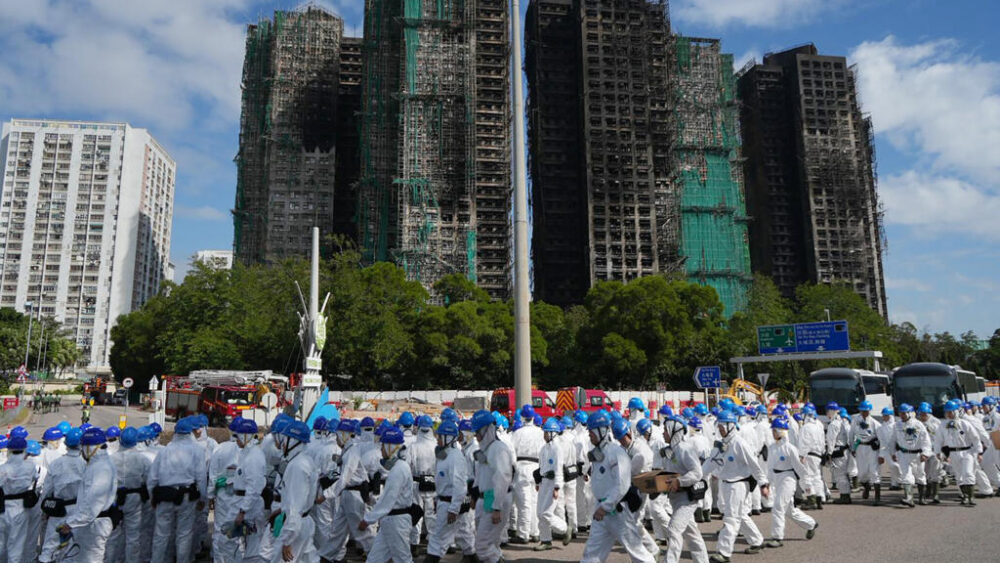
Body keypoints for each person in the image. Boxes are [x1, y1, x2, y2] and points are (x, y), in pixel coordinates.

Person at [580, 410, 655, 563]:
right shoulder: (599, 454)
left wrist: (606, 506)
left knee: (637, 551)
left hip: (617, 511)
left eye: (591, 431)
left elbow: (622, 484)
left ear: (601, 431)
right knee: (591, 554)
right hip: (602, 511)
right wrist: (601, 507)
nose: (589, 435)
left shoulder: (616, 453)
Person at [703, 411, 769, 563]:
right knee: (740, 514)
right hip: (726, 484)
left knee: (731, 519)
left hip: (739, 484)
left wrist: (763, 484)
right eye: (719, 426)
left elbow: (754, 465)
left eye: (722, 426)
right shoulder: (721, 445)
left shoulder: (739, 443)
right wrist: (695, 478)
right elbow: (709, 463)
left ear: (730, 426)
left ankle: (724, 552)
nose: (720, 429)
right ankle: (757, 540)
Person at [148, 416, 207, 563]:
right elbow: (201, 478)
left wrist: (152, 498)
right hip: (186, 497)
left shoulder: (164, 451)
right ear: (190, 432)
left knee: (161, 535)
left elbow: (152, 478)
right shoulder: (197, 450)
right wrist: (203, 498)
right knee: (184, 535)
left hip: (164, 496)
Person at [58, 426, 118, 561]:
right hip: (90, 523)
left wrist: (70, 523)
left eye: (83, 447)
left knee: (91, 559)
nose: (81, 451)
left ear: (90, 448)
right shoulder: (98, 464)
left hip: (95, 525)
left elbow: (92, 506)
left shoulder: (101, 469)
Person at [360, 427, 415, 563]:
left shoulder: (399, 469)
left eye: (383, 446)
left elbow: (388, 499)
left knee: (403, 559)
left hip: (397, 522)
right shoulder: (398, 467)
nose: (381, 449)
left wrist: (368, 519)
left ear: (391, 447)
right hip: (390, 521)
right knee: (374, 559)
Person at [658, 416, 708, 563]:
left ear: (674, 431)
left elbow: (697, 473)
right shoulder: (670, 451)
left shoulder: (685, 449)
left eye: (665, 430)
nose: (663, 433)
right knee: (691, 533)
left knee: (673, 530)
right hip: (675, 499)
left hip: (687, 499)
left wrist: (679, 481)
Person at [268, 420, 319, 563]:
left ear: (293, 441)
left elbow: (295, 506)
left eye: (285, 440)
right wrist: (281, 510)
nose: (282, 444)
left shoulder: (297, 466)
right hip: (303, 522)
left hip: (295, 526)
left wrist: (287, 539)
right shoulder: (305, 461)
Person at [764, 418, 817, 548]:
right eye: (772, 430)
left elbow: (800, 468)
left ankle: (777, 537)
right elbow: (770, 468)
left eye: (775, 430)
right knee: (789, 511)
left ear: (782, 431)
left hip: (788, 479)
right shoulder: (772, 448)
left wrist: (807, 486)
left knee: (778, 507)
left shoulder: (790, 448)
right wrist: (767, 484)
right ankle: (811, 524)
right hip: (777, 479)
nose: (773, 433)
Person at [470, 409, 514, 563]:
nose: (476, 435)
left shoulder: (498, 449)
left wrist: (497, 508)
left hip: (495, 499)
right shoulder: (486, 449)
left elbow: (503, 478)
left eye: (477, 432)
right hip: (487, 498)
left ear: (486, 430)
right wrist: (475, 496)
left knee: (482, 546)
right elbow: (481, 475)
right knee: (491, 543)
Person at [328, 418, 376, 561]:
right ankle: (326, 556)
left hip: (354, 494)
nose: (336, 439)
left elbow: (345, 477)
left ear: (344, 435)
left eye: (338, 435)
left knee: (362, 532)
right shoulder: (349, 450)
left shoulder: (352, 451)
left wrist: (326, 494)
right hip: (348, 493)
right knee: (337, 530)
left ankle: (378, 557)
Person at [38, 428, 86, 563]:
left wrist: (45, 509)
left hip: (58, 509)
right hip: (77, 509)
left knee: (50, 545)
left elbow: (47, 490)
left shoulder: (56, 463)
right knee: (72, 546)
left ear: (65, 444)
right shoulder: (85, 465)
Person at [613, 418, 659, 556]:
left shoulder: (640, 450)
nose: (621, 442)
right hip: (633, 485)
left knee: (634, 520)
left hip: (641, 486)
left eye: (622, 439)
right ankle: (648, 549)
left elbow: (631, 471)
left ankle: (652, 550)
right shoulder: (627, 447)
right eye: (619, 439)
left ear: (629, 434)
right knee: (633, 520)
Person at [425, 420, 470, 562]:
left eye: (440, 437)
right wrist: (437, 499)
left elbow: (459, 485)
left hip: (450, 504)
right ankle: (472, 556)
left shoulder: (455, 457)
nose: (437, 440)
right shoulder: (444, 455)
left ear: (448, 438)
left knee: (438, 538)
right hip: (445, 502)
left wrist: (454, 509)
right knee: (463, 535)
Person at [105, 427, 152, 563]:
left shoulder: (110, 459)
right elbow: (150, 481)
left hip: (114, 499)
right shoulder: (143, 460)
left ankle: (112, 560)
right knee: (133, 536)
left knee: (113, 534)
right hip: (135, 499)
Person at [1, 433, 42, 563]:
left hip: (3, 507)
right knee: (16, 544)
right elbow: (35, 478)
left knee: (2, 543)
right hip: (21, 507)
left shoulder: (3, 468)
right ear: (25, 450)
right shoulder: (29, 466)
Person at [880, 403, 931, 507]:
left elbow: (926, 440)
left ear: (910, 413)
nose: (902, 416)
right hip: (903, 454)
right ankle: (909, 498)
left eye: (904, 413)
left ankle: (922, 498)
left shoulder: (918, 425)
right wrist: (893, 452)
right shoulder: (897, 425)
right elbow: (893, 440)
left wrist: (925, 453)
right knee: (906, 475)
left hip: (917, 455)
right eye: (900, 413)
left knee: (920, 476)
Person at [934, 400, 983, 506]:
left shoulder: (965, 423)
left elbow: (975, 438)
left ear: (956, 411)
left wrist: (979, 452)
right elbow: (938, 440)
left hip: (967, 452)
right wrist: (937, 452)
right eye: (947, 412)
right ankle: (965, 496)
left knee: (968, 473)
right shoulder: (943, 425)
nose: (949, 414)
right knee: (959, 475)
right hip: (953, 452)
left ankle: (971, 497)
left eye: (951, 412)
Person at [534, 417, 569, 551]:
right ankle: (546, 540)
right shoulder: (544, 448)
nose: (544, 435)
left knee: (546, 513)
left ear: (553, 433)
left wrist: (557, 487)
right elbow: (541, 466)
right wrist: (538, 481)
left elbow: (558, 468)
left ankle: (565, 528)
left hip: (552, 483)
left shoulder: (557, 448)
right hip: (544, 482)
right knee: (539, 513)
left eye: (546, 432)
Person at [510, 404, 543, 543]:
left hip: (522, 467)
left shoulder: (517, 433)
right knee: (534, 502)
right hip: (537, 468)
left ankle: (523, 534)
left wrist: (514, 467)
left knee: (523, 503)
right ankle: (535, 532)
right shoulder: (540, 432)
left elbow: (511, 453)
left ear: (522, 417)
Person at [410, 414, 438, 548]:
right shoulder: (437, 446)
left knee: (416, 513)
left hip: (416, 483)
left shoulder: (413, 446)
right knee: (431, 514)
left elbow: (408, 465)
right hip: (433, 482)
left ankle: (414, 543)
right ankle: (433, 544)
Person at [850, 401, 882, 503]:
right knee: (862, 473)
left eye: (866, 411)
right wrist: (852, 448)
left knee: (874, 471)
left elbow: (882, 440)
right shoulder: (855, 421)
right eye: (862, 411)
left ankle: (877, 498)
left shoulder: (875, 423)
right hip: (860, 447)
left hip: (872, 449)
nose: (864, 413)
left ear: (869, 411)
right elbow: (851, 435)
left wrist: (881, 454)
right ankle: (867, 486)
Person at [823, 402, 852, 504]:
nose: (827, 413)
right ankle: (846, 495)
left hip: (838, 452)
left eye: (827, 411)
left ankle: (844, 496)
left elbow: (831, 440)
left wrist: (829, 454)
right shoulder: (841, 422)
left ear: (831, 411)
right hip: (844, 451)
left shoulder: (833, 424)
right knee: (843, 474)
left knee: (840, 475)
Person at [875, 408, 901, 492]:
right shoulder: (881, 427)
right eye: (883, 415)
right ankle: (895, 484)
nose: (884, 417)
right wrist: (881, 454)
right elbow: (881, 441)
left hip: (897, 449)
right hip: (886, 450)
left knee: (897, 466)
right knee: (893, 466)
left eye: (886, 415)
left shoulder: (896, 425)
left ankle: (900, 481)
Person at [980, 396, 1000, 493]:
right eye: (983, 406)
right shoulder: (985, 418)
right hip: (990, 442)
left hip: (997, 439)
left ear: (991, 406)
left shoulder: (997, 416)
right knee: (985, 463)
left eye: (985, 406)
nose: (983, 408)